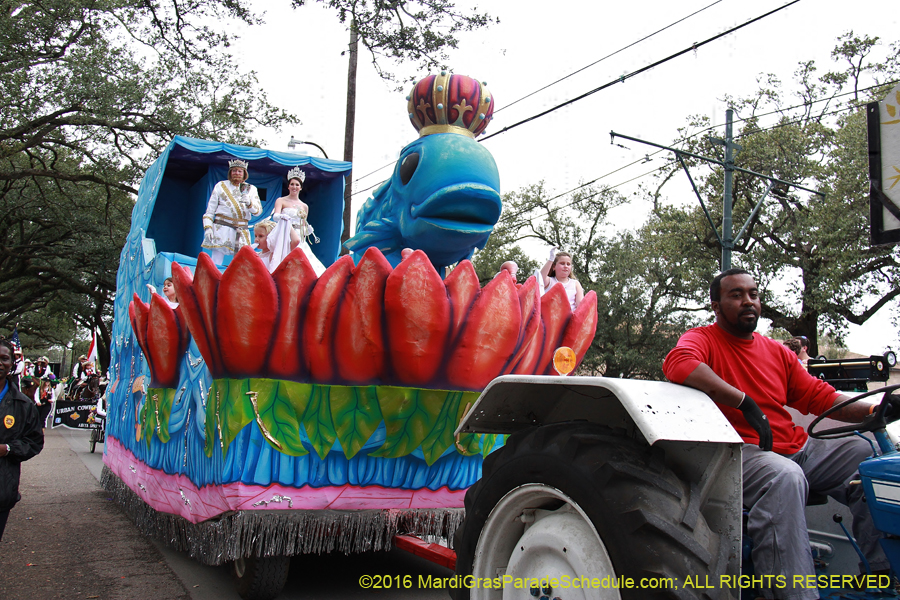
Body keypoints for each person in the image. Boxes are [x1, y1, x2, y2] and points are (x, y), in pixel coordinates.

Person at [663, 268, 890, 600]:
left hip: (794, 447)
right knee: (784, 477)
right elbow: (678, 363)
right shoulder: (703, 339)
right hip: (741, 452)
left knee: (866, 456)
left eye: (753, 294)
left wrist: (875, 409)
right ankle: (791, 594)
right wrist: (743, 402)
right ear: (716, 305)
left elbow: (820, 397)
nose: (747, 301)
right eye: (736, 295)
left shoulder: (778, 353)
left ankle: (883, 576)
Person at [0, 337, 44, 541]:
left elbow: (34, 442)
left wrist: (7, 449)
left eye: (4, 358)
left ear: (11, 364)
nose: (0, 363)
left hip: (2, 489)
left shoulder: (24, 405)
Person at [201, 159, 262, 265]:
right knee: (216, 262)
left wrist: (249, 203)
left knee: (242, 262)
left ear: (244, 173)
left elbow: (258, 212)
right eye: (234, 170)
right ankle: (215, 281)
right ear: (230, 172)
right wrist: (208, 228)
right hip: (221, 228)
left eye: (239, 171)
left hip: (241, 230)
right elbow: (209, 212)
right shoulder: (220, 186)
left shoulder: (251, 189)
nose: (237, 173)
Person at [269, 167, 326, 275]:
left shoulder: (304, 206)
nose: (294, 187)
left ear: (300, 187)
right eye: (292, 184)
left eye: (297, 185)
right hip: (285, 233)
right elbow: (275, 216)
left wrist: (308, 230)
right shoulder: (281, 200)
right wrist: (283, 217)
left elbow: (303, 225)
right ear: (288, 186)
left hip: (299, 235)